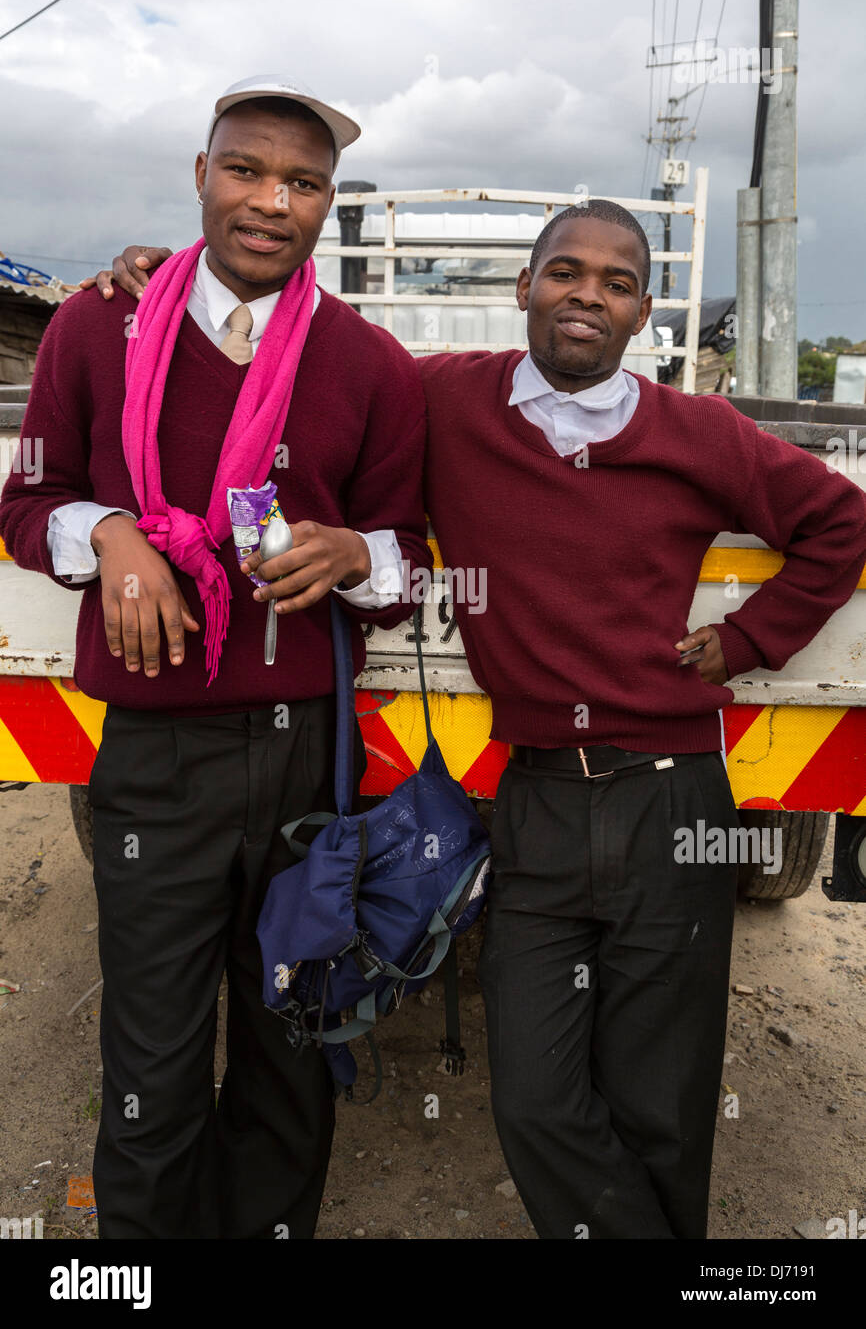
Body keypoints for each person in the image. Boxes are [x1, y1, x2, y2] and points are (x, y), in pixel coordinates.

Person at [90, 199, 866, 1240]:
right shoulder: (445, 398)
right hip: (536, 797)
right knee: (535, 1100)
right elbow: (324, 359)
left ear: (642, 315)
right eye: (563, 272)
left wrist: (747, 638)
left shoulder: (699, 432)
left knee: (663, 1108)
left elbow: (837, 520)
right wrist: (187, 279)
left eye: (615, 282)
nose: (585, 294)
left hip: (672, 796)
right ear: (524, 289)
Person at [0, 76, 431, 1240]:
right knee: (151, 1055)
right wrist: (114, 533)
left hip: (303, 764)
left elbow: (412, 568)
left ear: (327, 206)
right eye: (245, 169)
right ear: (201, 174)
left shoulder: (369, 363)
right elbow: (28, 498)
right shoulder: (102, 322)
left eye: (303, 183)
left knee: (291, 1048)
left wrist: (354, 554)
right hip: (155, 754)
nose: (269, 201)